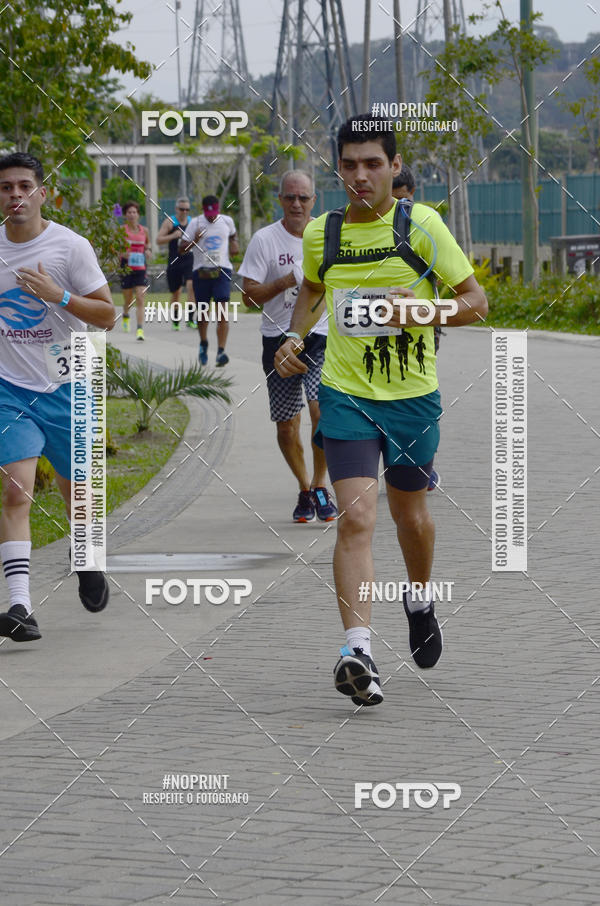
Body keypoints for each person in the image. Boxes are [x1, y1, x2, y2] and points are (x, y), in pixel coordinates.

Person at [274, 115, 487, 706]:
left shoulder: (420, 225)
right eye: (349, 165)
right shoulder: (324, 232)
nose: (360, 176)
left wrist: (420, 313)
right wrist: (295, 339)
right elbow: (314, 291)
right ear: (337, 169)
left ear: (395, 168)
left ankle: (418, 599)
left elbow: (476, 301)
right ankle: (358, 650)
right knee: (357, 518)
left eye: (373, 164)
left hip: (413, 398)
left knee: (410, 517)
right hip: (345, 394)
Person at [0, 152, 116, 642]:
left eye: (24, 186)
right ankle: (19, 606)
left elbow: (107, 316)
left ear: (42, 193)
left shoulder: (70, 247)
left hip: (72, 382)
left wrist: (58, 295)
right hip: (9, 389)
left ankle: (87, 559)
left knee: (80, 498)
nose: (15, 196)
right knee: (15, 491)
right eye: (6, 187)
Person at [238, 170, 337, 523]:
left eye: (304, 197)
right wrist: (287, 279)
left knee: (320, 412)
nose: (297, 204)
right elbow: (248, 296)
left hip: (319, 335)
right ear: (280, 200)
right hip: (277, 338)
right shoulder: (265, 241)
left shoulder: (326, 235)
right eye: (290, 197)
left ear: (314, 201)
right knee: (286, 425)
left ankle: (321, 483)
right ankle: (304, 487)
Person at [393, 162, 442, 491]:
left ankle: (423, 462)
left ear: (413, 195)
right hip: (375, 326)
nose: (400, 208)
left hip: (422, 324)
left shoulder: (423, 224)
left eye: (404, 200)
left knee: (418, 389)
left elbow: (445, 274)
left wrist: (422, 309)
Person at [180, 195, 238, 367]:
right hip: (201, 272)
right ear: (203, 209)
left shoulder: (227, 221)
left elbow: (233, 236)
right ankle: (204, 342)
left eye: (214, 212)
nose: (211, 216)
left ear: (218, 208)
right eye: (208, 213)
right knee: (203, 313)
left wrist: (235, 245)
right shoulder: (196, 223)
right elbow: (181, 249)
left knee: (222, 312)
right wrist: (195, 240)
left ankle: (221, 351)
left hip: (222, 270)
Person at [155, 196, 194, 331]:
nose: (184, 212)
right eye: (182, 209)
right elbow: (158, 240)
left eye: (187, 209)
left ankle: (190, 319)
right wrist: (173, 235)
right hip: (174, 260)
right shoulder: (170, 222)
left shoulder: (192, 222)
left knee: (191, 286)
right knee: (176, 293)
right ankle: (176, 320)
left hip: (189, 259)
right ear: (177, 209)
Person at [120, 200, 151, 341]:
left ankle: (139, 329)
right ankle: (125, 314)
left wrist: (148, 251)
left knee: (140, 297)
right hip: (126, 267)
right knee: (128, 298)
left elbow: (148, 244)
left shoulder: (144, 230)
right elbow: (115, 247)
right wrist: (122, 254)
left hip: (140, 267)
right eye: (129, 212)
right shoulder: (121, 230)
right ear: (125, 215)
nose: (132, 215)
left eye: (134, 212)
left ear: (138, 215)